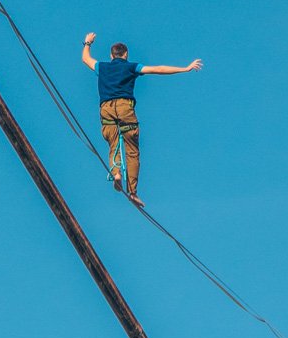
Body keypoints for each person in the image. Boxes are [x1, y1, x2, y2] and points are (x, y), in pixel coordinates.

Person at [82, 32, 202, 207]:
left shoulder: (102, 67)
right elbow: (158, 69)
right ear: (126, 54)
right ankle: (133, 192)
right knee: (132, 150)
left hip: (106, 109)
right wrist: (185, 68)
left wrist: (87, 43)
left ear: (111, 56)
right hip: (125, 108)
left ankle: (116, 173)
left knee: (113, 144)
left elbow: (86, 59)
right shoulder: (131, 67)